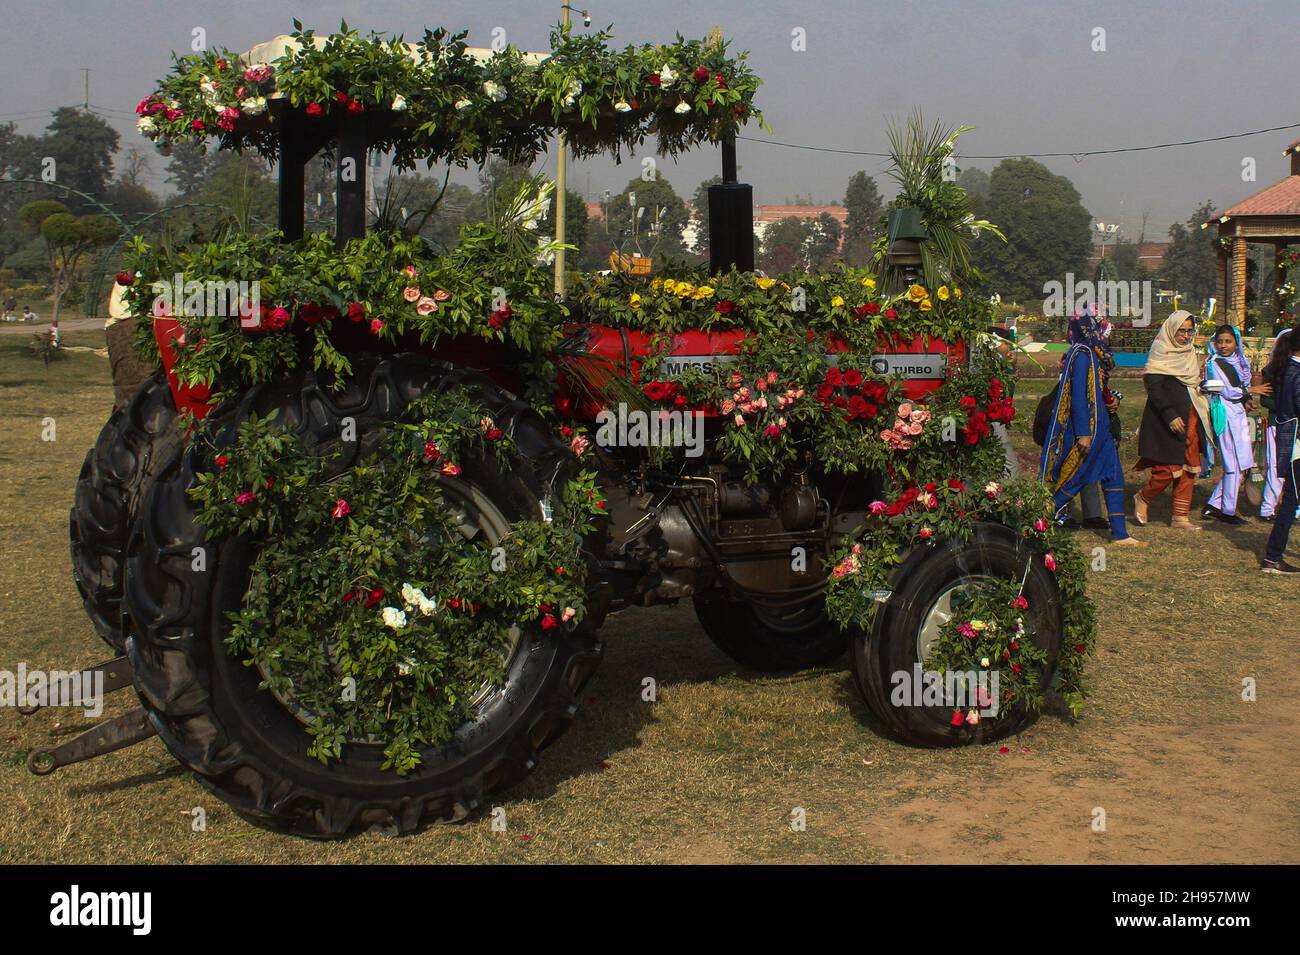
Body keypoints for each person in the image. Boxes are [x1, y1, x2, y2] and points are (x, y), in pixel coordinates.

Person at [1041, 313, 1143, 545]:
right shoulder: (1083, 355)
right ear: (1090, 328)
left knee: (1114, 476)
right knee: (1074, 480)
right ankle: (1036, 520)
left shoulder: (1095, 354)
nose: (1108, 331)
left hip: (1102, 428)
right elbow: (1078, 397)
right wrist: (1084, 434)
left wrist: (1112, 398)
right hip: (1089, 431)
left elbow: (1096, 391)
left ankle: (1120, 534)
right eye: (1104, 326)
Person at [1133, 311, 1210, 530]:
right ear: (1171, 330)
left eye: (1189, 331)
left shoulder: (1189, 352)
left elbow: (1190, 383)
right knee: (1166, 469)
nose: (1185, 336)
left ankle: (1180, 516)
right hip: (1165, 421)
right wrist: (1169, 414)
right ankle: (1144, 498)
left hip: (1191, 417)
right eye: (1181, 331)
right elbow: (1154, 388)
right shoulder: (1161, 351)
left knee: (1189, 467)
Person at [1201, 324, 1263, 525]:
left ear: (1236, 342)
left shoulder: (1235, 362)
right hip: (1225, 415)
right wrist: (1252, 389)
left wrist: (1246, 399)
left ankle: (1214, 505)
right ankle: (1227, 511)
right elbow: (1227, 390)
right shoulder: (1216, 362)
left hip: (1236, 415)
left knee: (1239, 462)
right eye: (1220, 341)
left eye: (1228, 341)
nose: (1223, 345)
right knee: (1232, 463)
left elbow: (1238, 389)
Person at [1261, 322, 1300, 573]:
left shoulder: (1290, 369)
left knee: (1290, 500)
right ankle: (1272, 558)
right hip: (1297, 444)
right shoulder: (1294, 372)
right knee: (1290, 502)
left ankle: (1272, 558)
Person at [1260, 328, 1296, 524]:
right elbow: (1266, 399)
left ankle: (1291, 506)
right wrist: (1286, 407)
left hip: (1294, 427)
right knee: (1276, 467)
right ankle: (1268, 508)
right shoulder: (1274, 369)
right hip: (1278, 425)